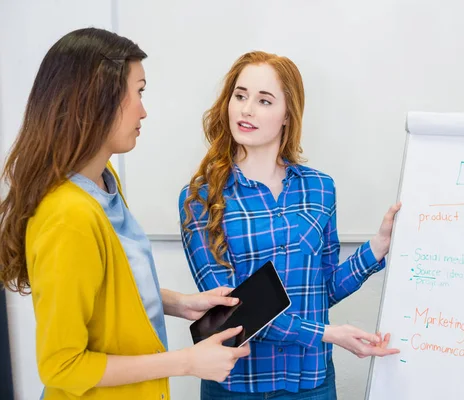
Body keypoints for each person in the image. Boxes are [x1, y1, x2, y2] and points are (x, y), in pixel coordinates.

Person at [0, 28, 249, 400]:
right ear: (97, 99)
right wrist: (186, 362)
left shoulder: (103, 180)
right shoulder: (68, 216)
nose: (143, 109)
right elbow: (61, 365)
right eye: (139, 91)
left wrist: (179, 303)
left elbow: (108, 286)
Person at [179, 50, 402, 399]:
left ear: (287, 114)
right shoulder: (201, 198)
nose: (246, 109)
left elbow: (323, 290)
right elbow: (232, 309)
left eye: (264, 100)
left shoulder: (320, 189)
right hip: (237, 384)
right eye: (240, 96)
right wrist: (327, 334)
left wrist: (377, 247)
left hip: (310, 382)